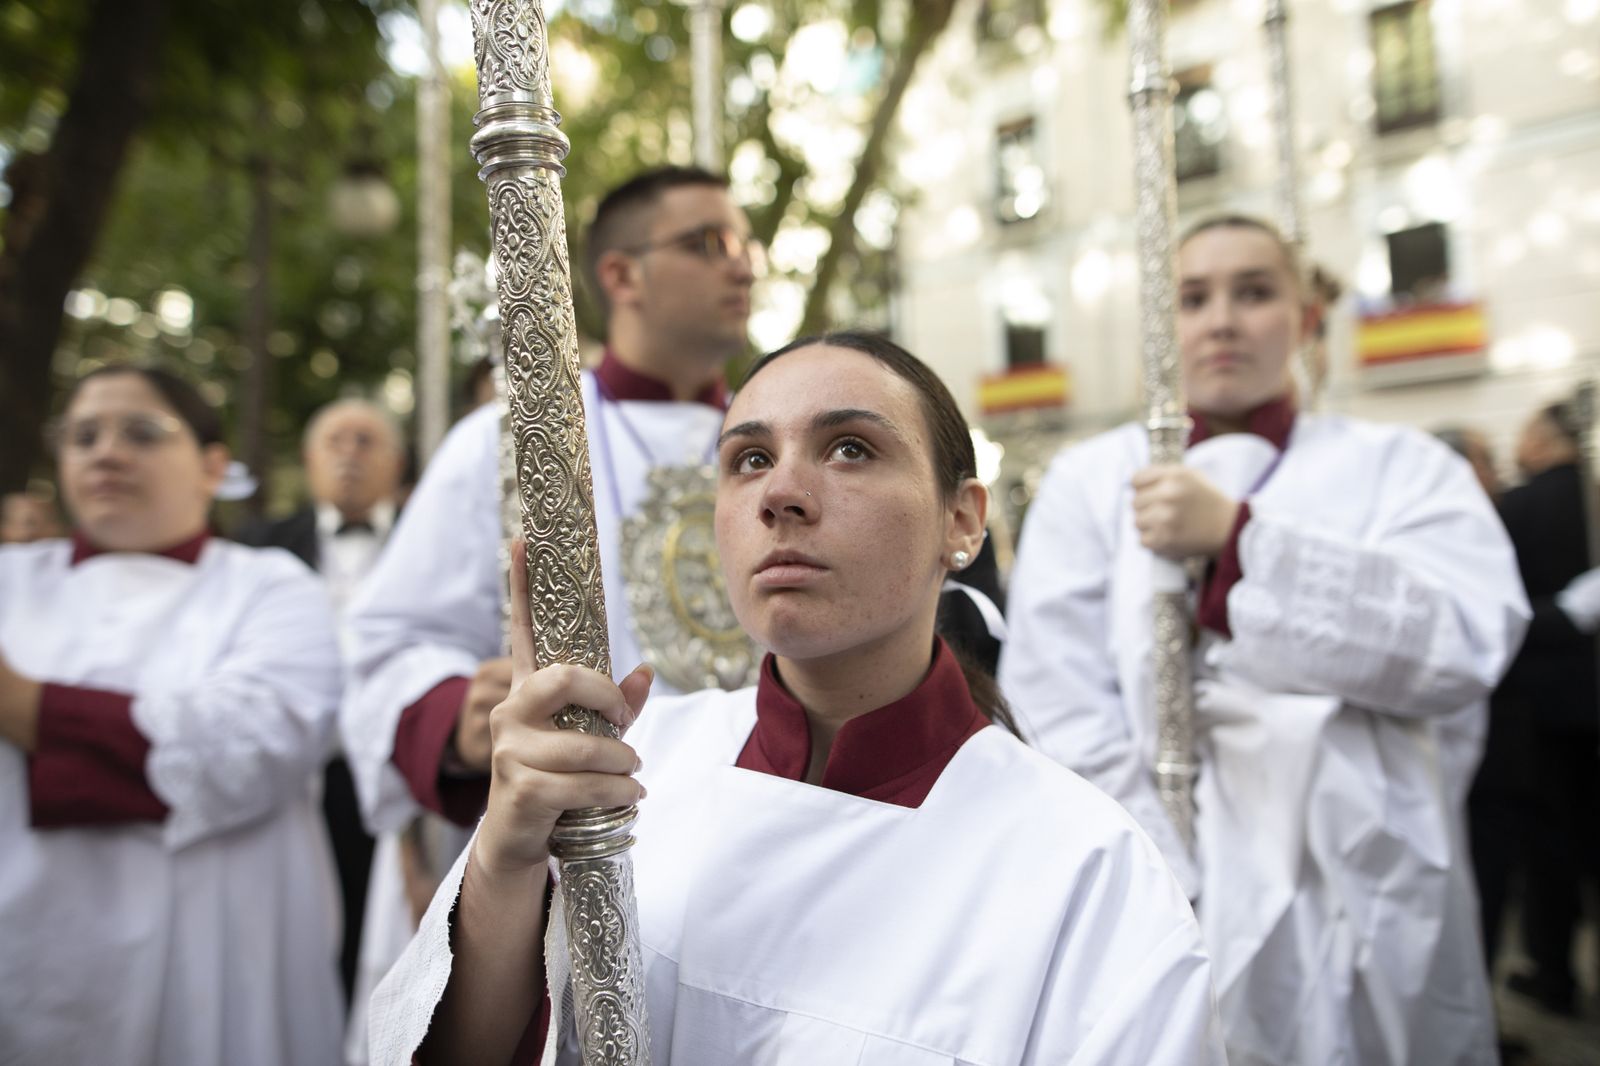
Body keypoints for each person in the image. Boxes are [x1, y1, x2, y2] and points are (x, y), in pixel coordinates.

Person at [367, 331, 1224, 1065]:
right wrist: (507, 859)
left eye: (850, 447)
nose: (781, 493)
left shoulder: (1088, 869)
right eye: (749, 459)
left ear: (963, 521)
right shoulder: (623, 770)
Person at [999, 215, 1529, 1065]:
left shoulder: (1402, 468)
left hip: (1373, 877)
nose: (1222, 320)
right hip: (1176, 876)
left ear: (1305, 318)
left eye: (1254, 292)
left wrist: (1242, 545)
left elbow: (1461, 641)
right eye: (1193, 297)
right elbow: (1058, 697)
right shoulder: (1092, 480)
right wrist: (1169, 877)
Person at [341, 167, 758, 853]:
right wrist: (458, 718)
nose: (741, 269)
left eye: (746, 247)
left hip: (762, 822)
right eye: (709, 243)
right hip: (584, 843)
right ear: (623, 277)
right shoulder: (510, 437)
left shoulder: (781, 437)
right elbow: (391, 643)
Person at [0, 365, 344, 1064]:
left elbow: (256, 744)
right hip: (28, 951)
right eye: (83, 435)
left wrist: (24, 706)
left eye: (142, 432)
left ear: (212, 466)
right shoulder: (11, 581)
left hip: (214, 962)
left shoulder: (271, 585)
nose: (106, 452)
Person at [237, 397, 407, 1017]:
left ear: (397, 460)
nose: (350, 455)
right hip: (295, 782)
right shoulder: (259, 547)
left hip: (399, 778)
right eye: (336, 441)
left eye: (367, 441)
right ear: (309, 460)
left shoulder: (431, 541)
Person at [1494, 402, 1599, 1017]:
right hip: (1581, 702)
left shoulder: (1522, 506)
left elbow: (1496, 616)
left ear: (1541, 439)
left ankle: (1554, 974)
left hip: (1533, 710)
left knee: (1549, 850)